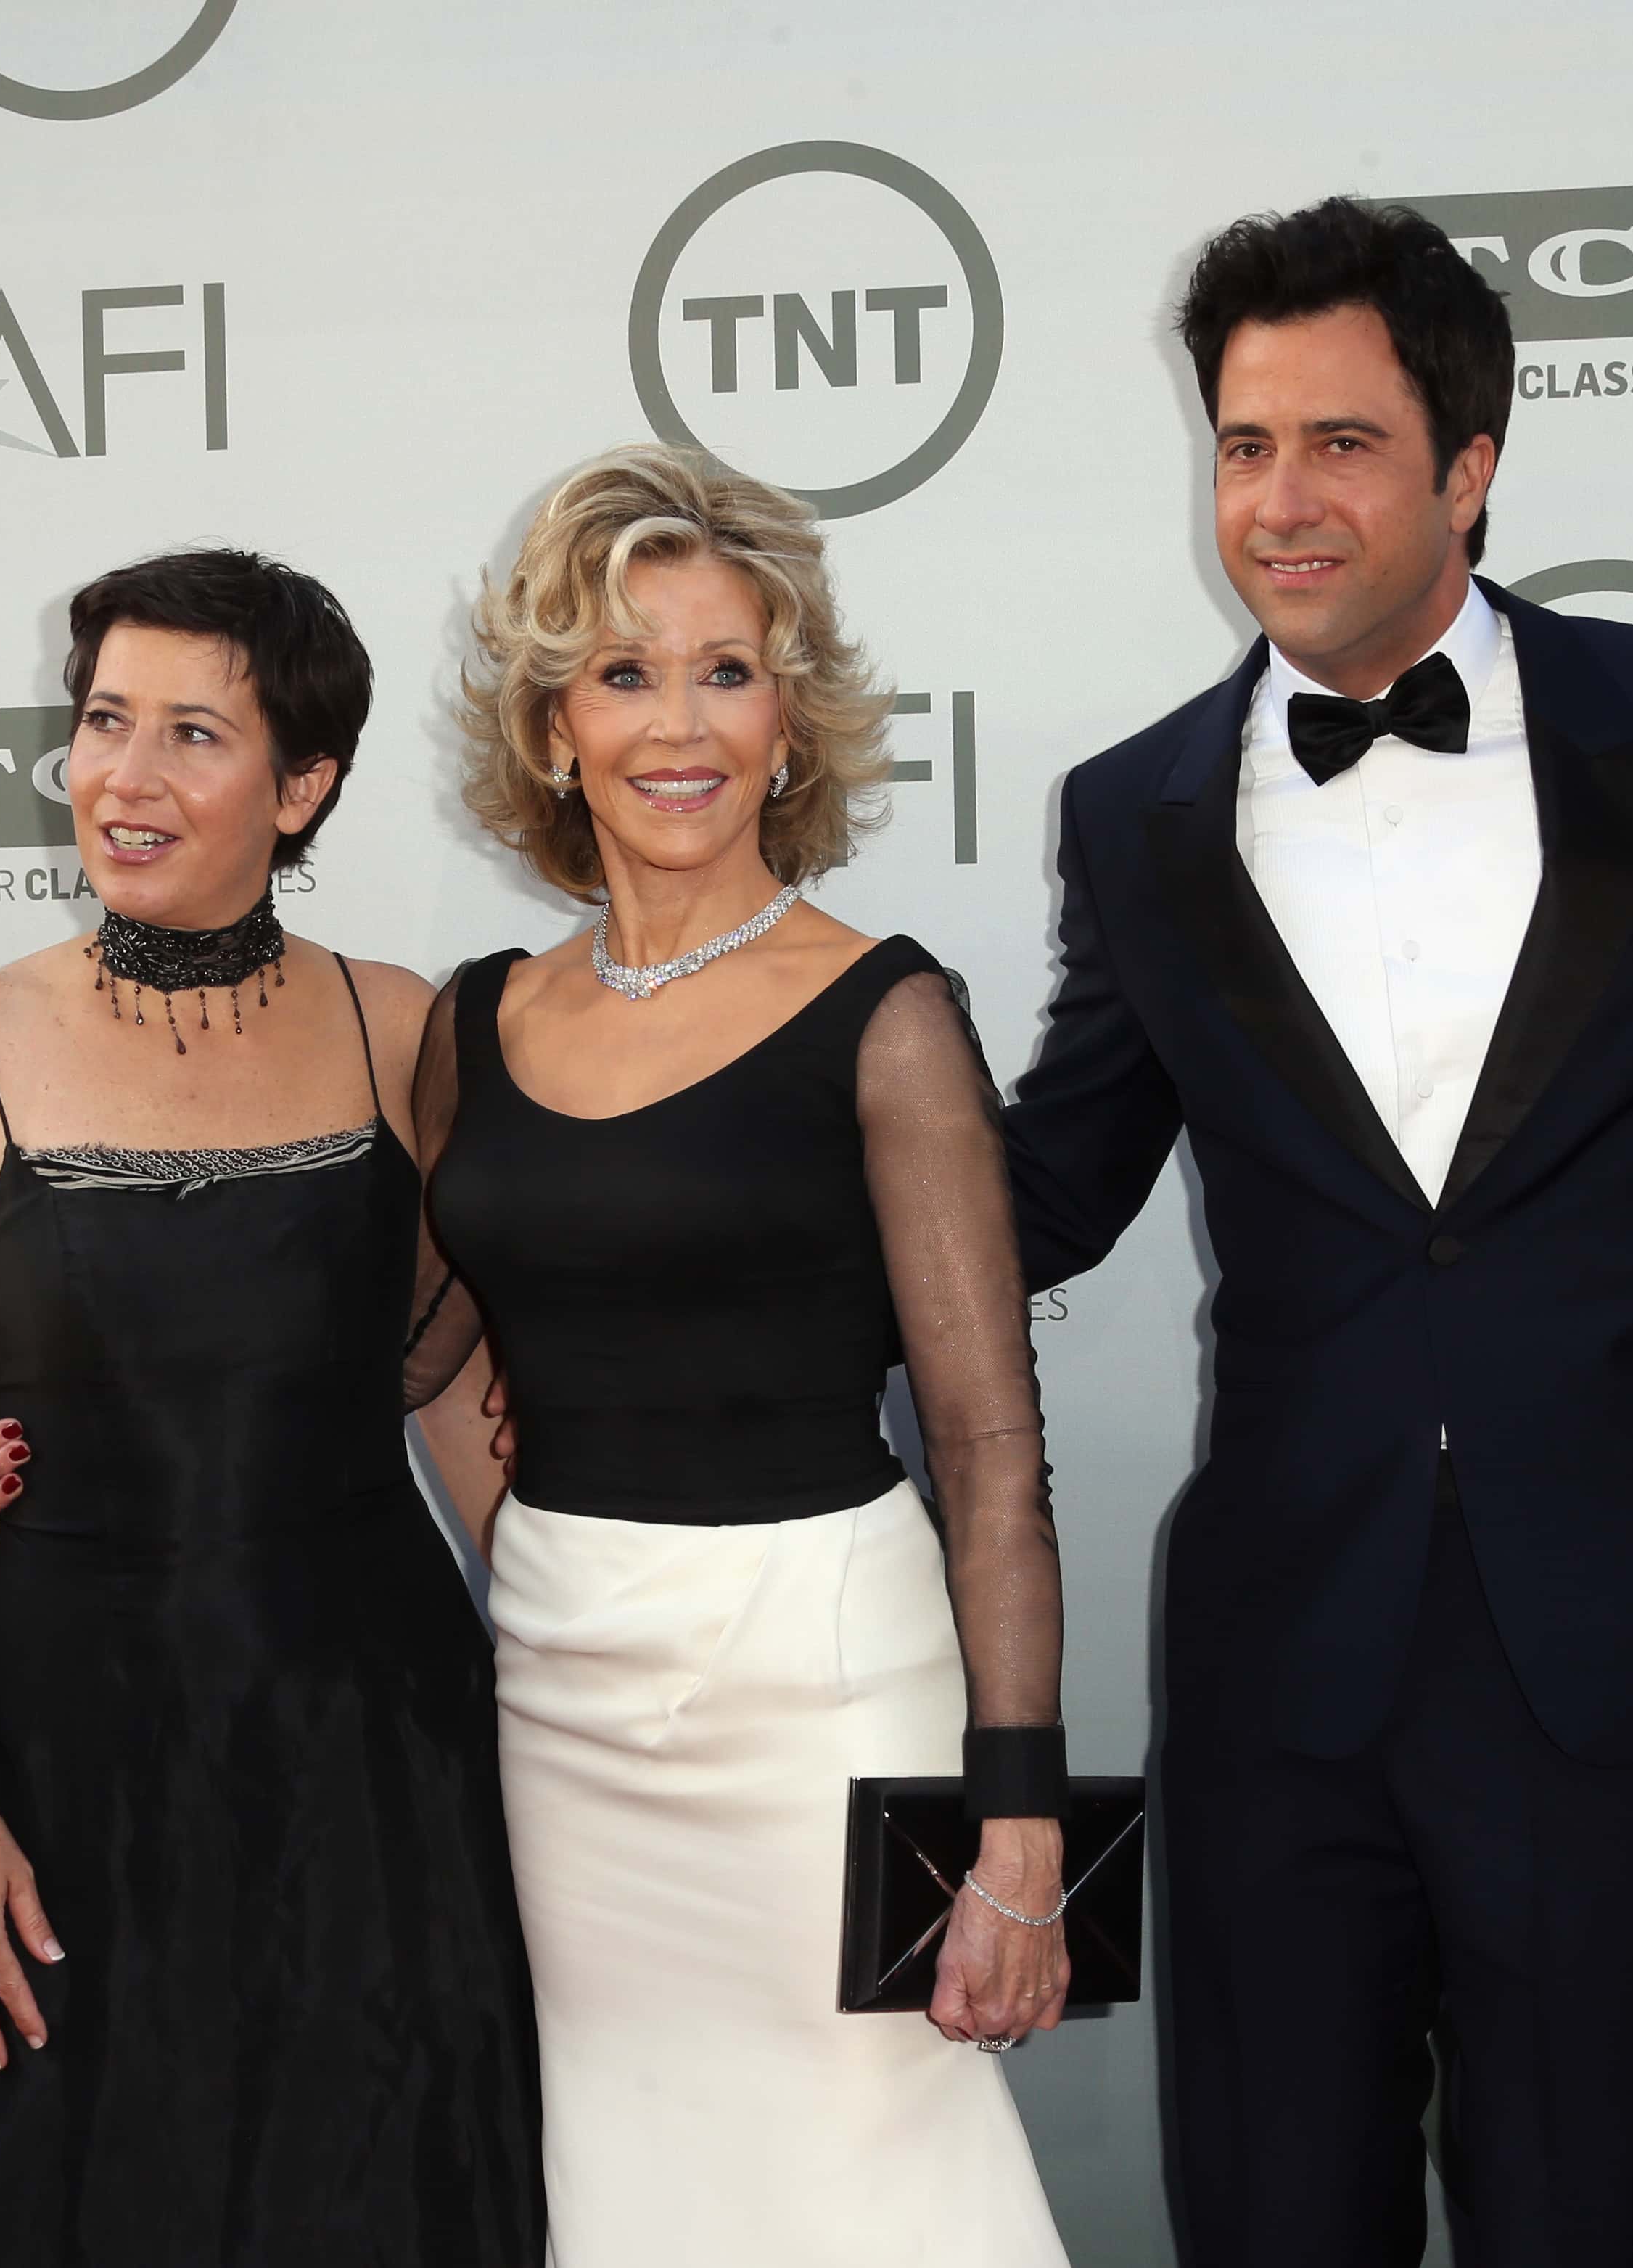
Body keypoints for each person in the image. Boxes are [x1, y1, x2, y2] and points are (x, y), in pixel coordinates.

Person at [997, 197, 1633, 2266]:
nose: (1276, 502)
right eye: (1240, 443)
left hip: (1615, 1625)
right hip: (1286, 1638)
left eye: (1340, 442)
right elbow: (1053, 1181)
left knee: (1589, 2203)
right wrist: (750, 1141)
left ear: (1469, 463)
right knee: (1277, 2209)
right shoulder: (1136, 807)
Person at [406, 443, 1073, 2264]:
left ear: (792, 720)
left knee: (880, 2161)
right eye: (623, 673)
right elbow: (402, 1361)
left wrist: (1020, 1831)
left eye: (727, 670)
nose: (676, 724)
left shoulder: (886, 1010)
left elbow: (993, 1449)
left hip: (831, 1686)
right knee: (632, 2175)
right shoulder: (481, 1018)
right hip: (563, 1680)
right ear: (554, 728)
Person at [0, 551, 543, 2264]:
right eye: (100, 722)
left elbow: (455, 1394)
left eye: (190, 735)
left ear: (304, 782)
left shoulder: (409, 1030)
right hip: (70, 1748)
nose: (124, 779)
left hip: (376, 1742)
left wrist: (607, 1661)